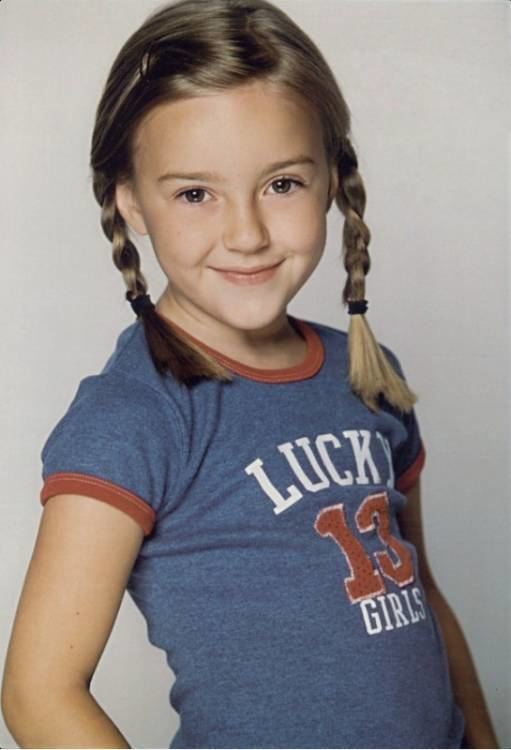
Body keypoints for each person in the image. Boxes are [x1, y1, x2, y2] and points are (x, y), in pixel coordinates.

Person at [0, 0, 499, 748]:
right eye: (195, 193)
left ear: (331, 179)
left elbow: (418, 595)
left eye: (282, 184)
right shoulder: (134, 416)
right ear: (129, 199)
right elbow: (39, 694)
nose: (246, 233)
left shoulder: (365, 373)